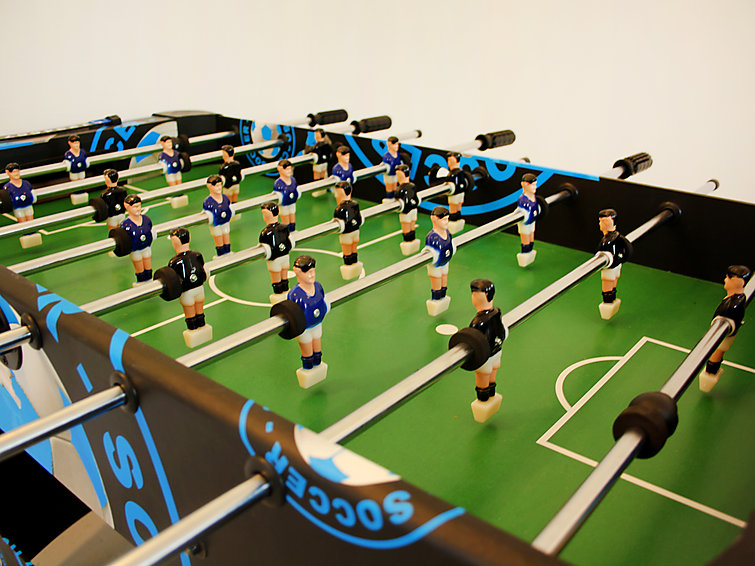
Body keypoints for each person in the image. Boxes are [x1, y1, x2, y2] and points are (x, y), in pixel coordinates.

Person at [699, 265, 752, 392]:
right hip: (726, 332)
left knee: (717, 353)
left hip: (725, 335)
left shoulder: (733, 305)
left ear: (739, 282)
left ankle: (710, 373)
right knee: (717, 352)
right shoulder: (735, 298)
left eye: (729, 278)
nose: (725, 280)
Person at [468, 279, 507, 422]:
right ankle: (491, 394)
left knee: (483, 378)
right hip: (497, 351)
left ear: (483, 295)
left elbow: (472, 340)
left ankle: (483, 400)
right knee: (492, 374)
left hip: (485, 357)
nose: (473, 297)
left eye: (474, 293)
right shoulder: (497, 311)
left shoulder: (478, 323)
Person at [287, 255, 329, 387]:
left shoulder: (318, 286)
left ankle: (317, 366)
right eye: (308, 272)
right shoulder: (295, 295)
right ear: (298, 272)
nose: (311, 275)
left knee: (317, 353)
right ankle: (308, 369)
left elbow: (324, 301)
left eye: (313, 271)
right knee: (308, 354)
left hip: (317, 324)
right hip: (304, 329)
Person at [168, 227, 211, 346]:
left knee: (190, 311)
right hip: (199, 288)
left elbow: (173, 279)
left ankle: (193, 329)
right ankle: (201, 326)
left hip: (187, 292)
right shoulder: (197, 255)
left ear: (176, 242)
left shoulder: (174, 262)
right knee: (199, 309)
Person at [597, 208, 631, 319]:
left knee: (608, 282)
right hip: (616, 263)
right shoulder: (616, 237)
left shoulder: (608, 240)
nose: (600, 224)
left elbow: (628, 249)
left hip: (610, 266)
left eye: (603, 222)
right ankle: (611, 299)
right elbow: (628, 248)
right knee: (612, 280)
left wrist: (622, 258)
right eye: (600, 221)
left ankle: (608, 302)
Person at [259, 201, 292, 303]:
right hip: (284, 255)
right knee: (283, 273)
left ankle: (279, 292)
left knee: (277, 275)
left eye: (265, 214)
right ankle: (284, 290)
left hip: (276, 258)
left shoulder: (265, 233)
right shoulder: (284, 227)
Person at [424, 207, 455, 315]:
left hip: (445, 262)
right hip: (436, 265)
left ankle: (443, 296)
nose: (446, 222)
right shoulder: (432, 237)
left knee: (444, 278)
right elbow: (429, 250)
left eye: (447, 219)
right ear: (435, 220)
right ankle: (437, 299)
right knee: (437, 280)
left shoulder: (447, 233)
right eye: (444, 219)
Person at [121, 195, 154, 284]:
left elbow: (151, 230)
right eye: (135, 207)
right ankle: (141, 281)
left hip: (146, 247)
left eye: (139, 206)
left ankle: (149, 279)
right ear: (127, 207)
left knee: (148, 265)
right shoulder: (126, 225)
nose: (138, 209)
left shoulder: (146, 219)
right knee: (139, 266)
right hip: (135, 250)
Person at [333, 181, 363, 279]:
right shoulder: (355, 204)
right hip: (356, 231)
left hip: (347, 234)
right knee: (354, 248)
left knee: (347, 250)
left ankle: (349, 266)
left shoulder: (339, 209)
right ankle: (354, 264)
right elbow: (359, 218)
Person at [202, 174, 234, 256]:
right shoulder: (208, 202)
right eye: (216, 186)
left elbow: (229, 207)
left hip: (225, 222)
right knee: (218, 238)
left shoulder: (225, 197)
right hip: (216, 224)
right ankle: (221, 254)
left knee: (226, 236)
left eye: (220, 185)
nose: (219, 188)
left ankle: (228, 252)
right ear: (209, 186)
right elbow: (206, 213)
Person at [395, 164, 421, 255]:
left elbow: (397, 196)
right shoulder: (412, 186)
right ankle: (412, 240)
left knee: (406, 225)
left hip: (406, 211)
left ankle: (408, 241)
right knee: (412, 224)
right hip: (413, 209)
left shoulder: (401, 189)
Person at [516, 173, 539, 267]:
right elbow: (522, 211)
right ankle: (525, 253)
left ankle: (530, 250)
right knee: (526, 236)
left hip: (532, 220)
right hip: (525, 222)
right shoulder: (523, 200)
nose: (535, 187)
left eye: (535, 184)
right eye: (532, 185)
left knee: (531, 235)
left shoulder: (533, 197)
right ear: (525, 185)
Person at [273, 159, 299, 231]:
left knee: (292, 218)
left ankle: (293, 230)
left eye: (290, 169)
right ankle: (286, 233)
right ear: (280, 169)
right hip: (284, 205)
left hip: (292, 203)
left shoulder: (293, 180)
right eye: (287, 169)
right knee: (286, 220)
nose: (289, 171)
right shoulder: (278, 183)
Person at [381, 136, 403, 200]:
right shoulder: (387, 156)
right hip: (389, 176)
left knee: (394, 187)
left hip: (395, 174)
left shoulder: (398, 154)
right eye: (394, 144)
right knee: (389, 188)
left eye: (397, 144)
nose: (396, 146)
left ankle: (393, 199)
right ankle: (389, 200)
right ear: (389, 144)